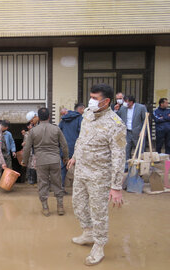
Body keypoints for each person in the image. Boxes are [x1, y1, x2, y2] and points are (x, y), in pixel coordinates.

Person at [67, 83, 126, 266]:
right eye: (90, 96)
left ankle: (99, 246)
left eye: (95, 98)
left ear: (106, 101)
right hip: (82, 171)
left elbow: (119, 156)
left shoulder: (116, 125)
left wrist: (116, 187)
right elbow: (82, 138)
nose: (90, 101)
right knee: (78, 204)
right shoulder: (87, 114)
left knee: (98, 212)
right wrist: (75, 156)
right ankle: (88, 232)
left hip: (100, 176)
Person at [22, 107, 68, 217]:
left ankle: (46, 208)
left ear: (38, 117)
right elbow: (64, 145)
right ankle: (60, 207)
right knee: (57, 183)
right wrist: (65, 157)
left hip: (41, 161)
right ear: (48, 116)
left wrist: (24, 160)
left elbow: (27, 148)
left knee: (43, 184)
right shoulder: (56, 129)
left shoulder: (33, 131)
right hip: (55, 160)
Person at [117, 95, 147, 170]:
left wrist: (143, 131)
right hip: (127, 132)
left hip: (138, 132)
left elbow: (145, 120)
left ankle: (139, 167)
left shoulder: (141, 108)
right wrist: (116, 111)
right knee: (126, 149)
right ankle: (126, 166)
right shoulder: (123, 108)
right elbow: (117, 119)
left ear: (131, 102)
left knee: (139, 150)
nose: (125, 103)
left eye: (126, 102)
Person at [59, 104, 83, 186]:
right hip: (76, 147)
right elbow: (82, 132)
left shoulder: (63, 120)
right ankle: (78, 188)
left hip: (64, 148)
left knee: (62, 168)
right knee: (79, 169)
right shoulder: (80, 118)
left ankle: (60, 188)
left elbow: (59, 132)